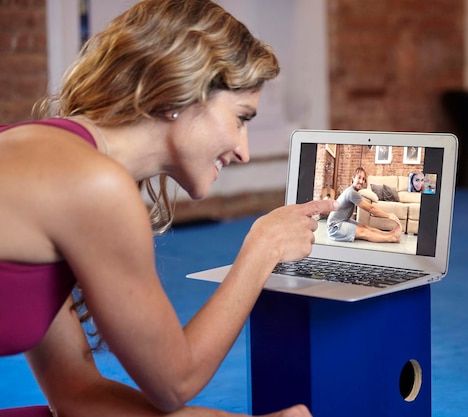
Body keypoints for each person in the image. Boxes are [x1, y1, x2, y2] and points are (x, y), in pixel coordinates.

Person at [0, 1, 336, 416]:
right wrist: (262, 248)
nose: (245, 151)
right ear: (180, 93)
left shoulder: (50, 154)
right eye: (240, 118)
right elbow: (175, 383)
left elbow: (76, 393)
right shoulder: (93, 186)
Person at [327, 167, 402, 243]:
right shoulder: (351, 193)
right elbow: (370, 208)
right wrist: (388, 215)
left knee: (365, 227)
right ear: (353, 178)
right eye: (359, 178)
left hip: (342, 221)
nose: (361, 181)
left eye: (363, 179)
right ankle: (391, 238)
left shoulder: (353, 191)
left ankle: (390, 234)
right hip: (335, 227)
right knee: (364, 232)